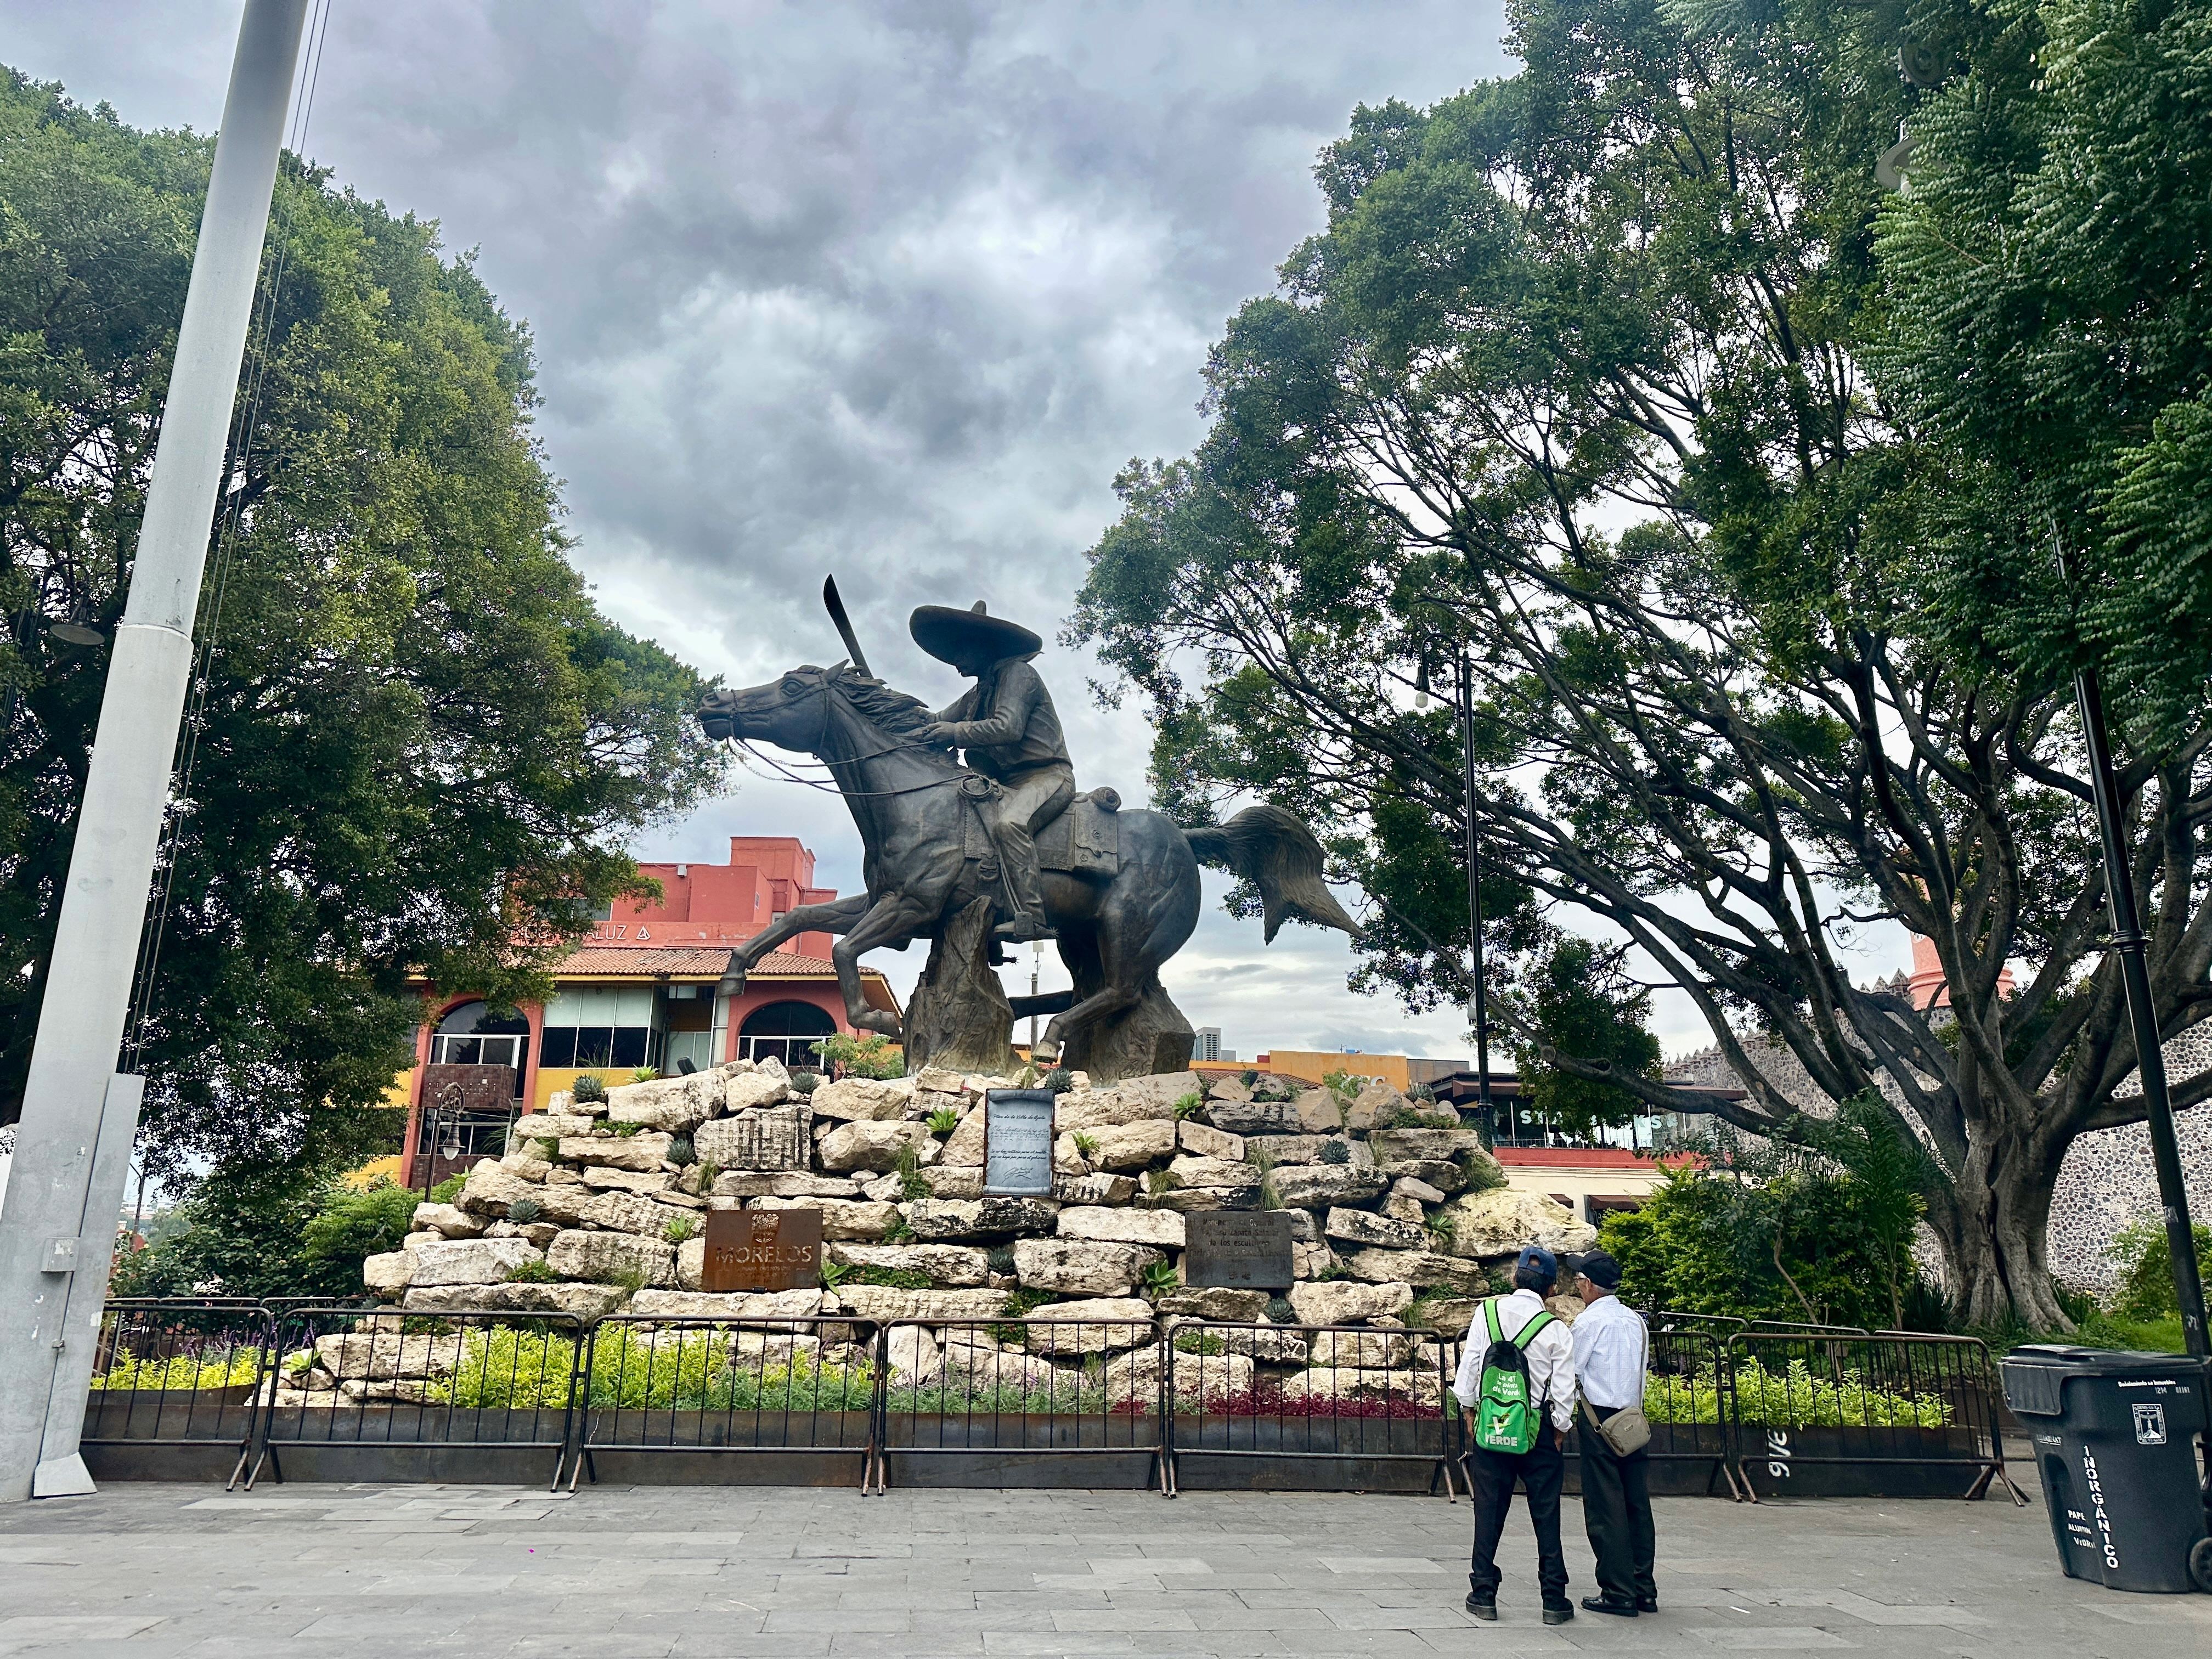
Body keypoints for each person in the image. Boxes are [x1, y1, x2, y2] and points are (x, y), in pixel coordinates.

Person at [909, 601, 1076, 942]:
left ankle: (1030, 917)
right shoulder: (978, 693)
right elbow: (936, 720)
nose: (955, 659)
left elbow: (1008, 727)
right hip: (1003, 784)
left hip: (1046, 777)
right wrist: (886, 708)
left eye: (960, 649)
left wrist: (955, 733)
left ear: (985, 645)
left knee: (1010, 825)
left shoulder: (1018, 674)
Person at [1454, 1243, 1579, 1625]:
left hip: (1492, 1427)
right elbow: (1564, 1391)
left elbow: (1471, 1366)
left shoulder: (1487, 1313)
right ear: (1552, 1288)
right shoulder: (1556, 1330)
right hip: (1538, 1430)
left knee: (1488, 1510)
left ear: (1514, 1278)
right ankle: (1554, 1598)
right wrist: (1560, 1429)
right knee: (1547, 1512)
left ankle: (1483, 1593)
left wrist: (1469, 1409)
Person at [1570, 1249, 1658, 1616]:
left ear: (1590, 1285)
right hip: (1632, 1419)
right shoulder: (1636, 1321)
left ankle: (1618, 1591)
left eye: (1579, 1280)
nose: (1578, 1285)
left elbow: (1572, 1372)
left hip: (1599, 1419)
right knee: (1637, 1503)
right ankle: (1643, 1588)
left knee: (1606, 1506)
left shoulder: (1589, 1323)